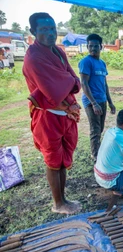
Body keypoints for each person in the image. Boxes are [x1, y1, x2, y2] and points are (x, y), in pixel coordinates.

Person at [22, 13, 82, 214]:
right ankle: (58, 203)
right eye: (44, 30)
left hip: (65, 114)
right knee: (53, 160)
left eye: (52, 29)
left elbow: (73, 79)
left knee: (64, 158)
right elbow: (52, 90)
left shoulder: (57, 51)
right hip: (48, 116)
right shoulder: (33, 58)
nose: (50, 33)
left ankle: (63, 198)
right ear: (33, 32)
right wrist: (67, 81)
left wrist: (67, 81)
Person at [79, 33, 116, 161]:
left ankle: (98, 151)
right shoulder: (85, 62)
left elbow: (104, 83)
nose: (93, 49)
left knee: (100, 129)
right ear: (87, 47)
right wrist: (93, 103)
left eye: (96, 46)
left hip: (102, 100)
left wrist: (110, 102)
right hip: (91, 101)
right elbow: (84, 83)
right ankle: (95, 156)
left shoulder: (102, 63)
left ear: (101, 47)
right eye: (90, 46)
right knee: (95, 130)